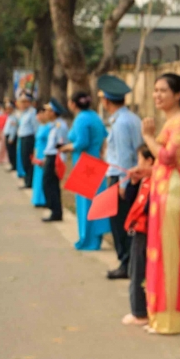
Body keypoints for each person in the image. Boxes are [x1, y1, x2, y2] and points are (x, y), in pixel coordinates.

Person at [139, 72, 180, 336]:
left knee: (170, 253)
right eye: (155, 90)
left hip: (173, 192)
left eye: (163, 90)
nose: (157, 95)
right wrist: (145, 172)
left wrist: (148, 137)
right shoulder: (170, 122)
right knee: (160, 252)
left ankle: (170, 319)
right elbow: (162, 162)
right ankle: (159, 315)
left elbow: (169, 157)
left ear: (178, 95)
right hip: (161, 190)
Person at [97, 75, 143, 281]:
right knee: (127, 222)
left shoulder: (121, 123)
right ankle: (129, 262)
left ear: (106, 101)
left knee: (120, 224)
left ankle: (126, 263)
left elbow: (125, 155)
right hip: (131, 177)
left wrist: (123, 183)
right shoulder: (131, 118)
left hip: (122, 178)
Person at [62, 91, 109, 250]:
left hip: (85, 164)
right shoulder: (95, 116)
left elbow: (81, 142)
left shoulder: (81, 119)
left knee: (85, 204)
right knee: (96, 202)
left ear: (73, 104)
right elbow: (103, 136)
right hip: (96, 161)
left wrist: (66, 147)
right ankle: (96, 238)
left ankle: (87, 239)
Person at [122, 145, 155, 326]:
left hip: (145, 232)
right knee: (135, 268)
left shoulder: (156, 182)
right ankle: (140, 309)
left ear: (149, 161)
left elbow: (148, 208)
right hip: (139, 230)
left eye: (140, 160)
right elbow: (129, 199)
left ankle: (140, 312)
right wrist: (133, 183)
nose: (138, 164)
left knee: (138, 271)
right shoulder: (144, 181)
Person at [40, 99, 68, 223]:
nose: (45, 113)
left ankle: (56, 211)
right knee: (48, 184)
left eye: (47, 111)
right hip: (50, 157)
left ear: (53, 112)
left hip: (55, 159)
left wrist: (59, 163)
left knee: (50, 185)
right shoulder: (54, 125)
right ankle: (54, 210)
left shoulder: (60, 126)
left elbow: (61, 146)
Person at [16, 93, 39, 189]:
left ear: (29, 102)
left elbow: (36, 128)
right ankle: (27, 180)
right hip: (22, 138)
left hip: (29, 138)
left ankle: (29, 181)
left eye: (24, 102)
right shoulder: (23, 113)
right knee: (23, 160)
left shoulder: (32, 113)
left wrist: (35, 143)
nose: (21, 104)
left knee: (27, 160)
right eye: (21, 102)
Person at [30, 106, 52, 208]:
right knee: (37, 177)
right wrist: (34, 154)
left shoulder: (49, 127)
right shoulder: (40, 126)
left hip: (44, 153)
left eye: (40, 114)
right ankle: (37, 199)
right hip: (38, 152)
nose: (38, 116)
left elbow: (49, 143)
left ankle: (44, 200)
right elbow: (36, 141)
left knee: (43, 177)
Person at [3, 99, 19, 171]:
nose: (7, 110)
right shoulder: (9, 116)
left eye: (9, 109)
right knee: (9, 152)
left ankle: (14, 165)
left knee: (12, 152)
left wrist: (11, 138)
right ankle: (12, 164)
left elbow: (13, 128)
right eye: (6, 109)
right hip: (7, 135)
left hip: (11, 136)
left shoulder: (13, 117)